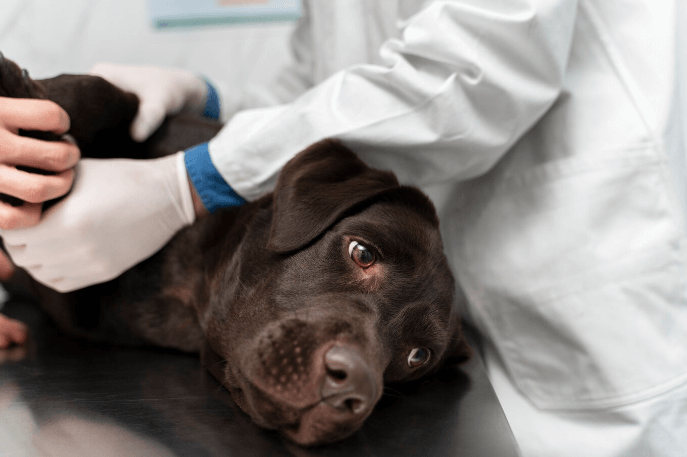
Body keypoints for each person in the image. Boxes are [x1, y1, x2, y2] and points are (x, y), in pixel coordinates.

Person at [1, 1, 687, 455]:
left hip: (584, 308)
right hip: (442, 324)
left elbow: (478, 67)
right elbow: (333, 91)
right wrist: (204, 100)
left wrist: (192, 179)